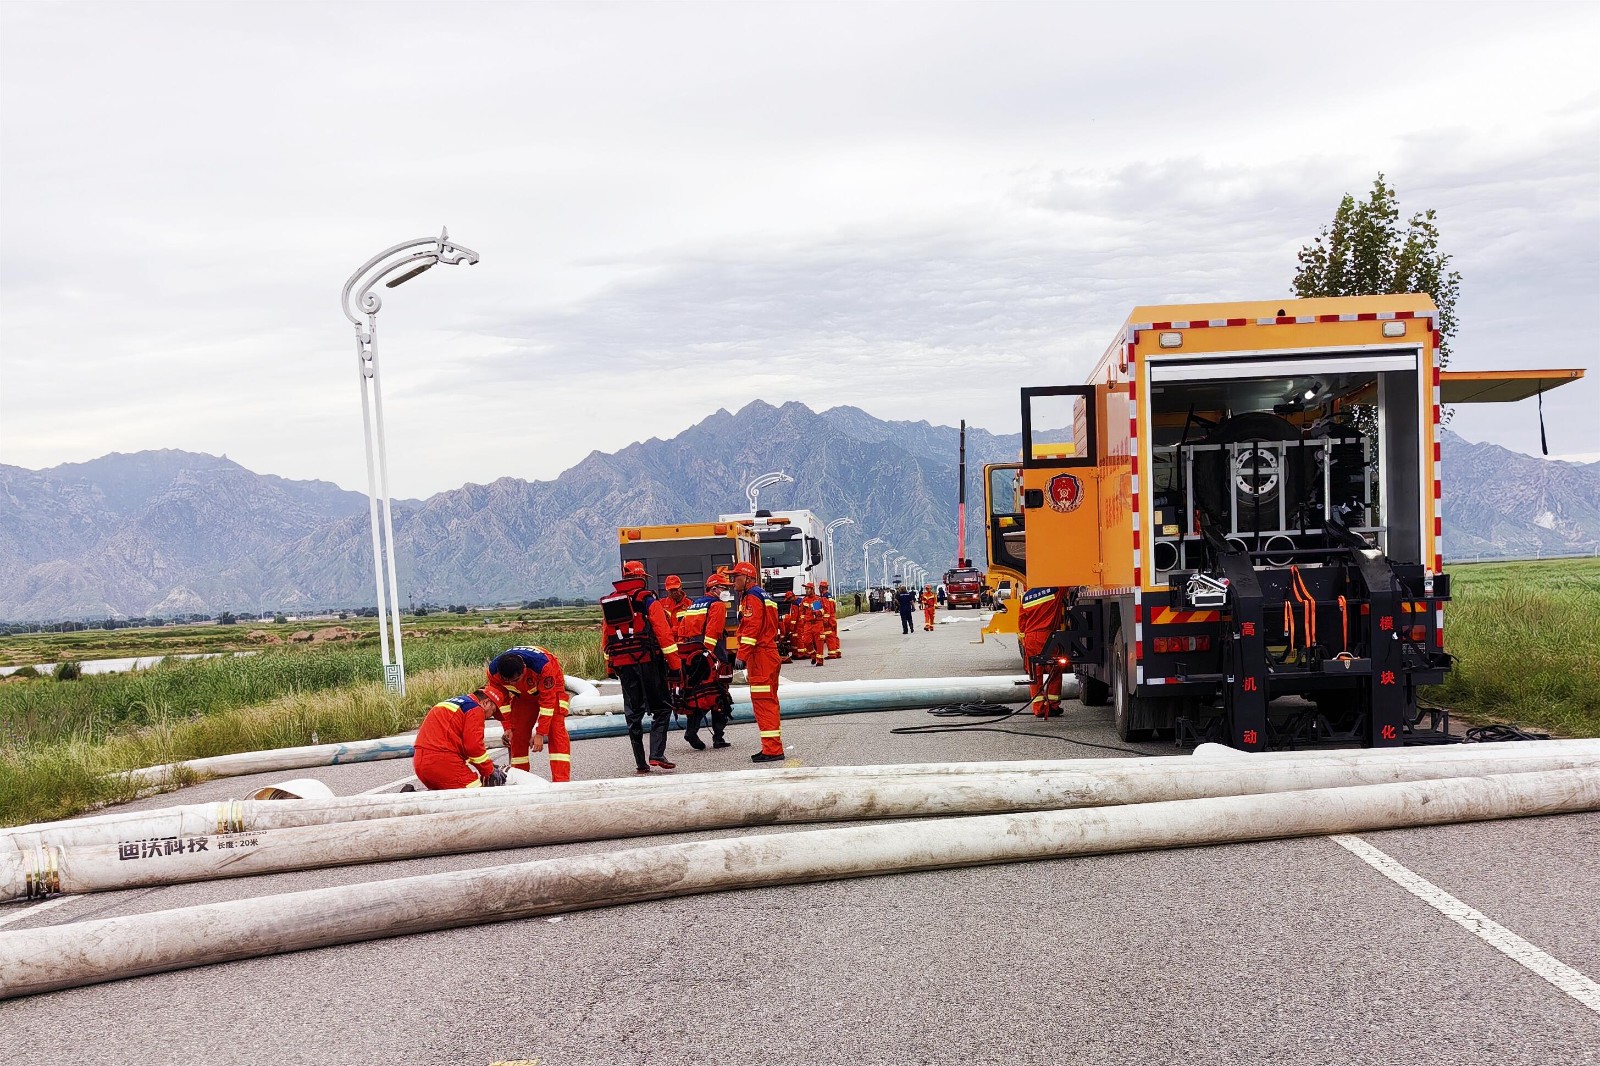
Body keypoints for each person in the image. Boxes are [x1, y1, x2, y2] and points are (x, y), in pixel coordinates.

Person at [603, 560, 682, 773]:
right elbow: (663, 634)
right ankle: (656, 754)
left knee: (633, 714)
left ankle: (640, 763)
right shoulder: (647, 600)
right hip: (648, 662)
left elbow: (606, 638)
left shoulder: (611, 601)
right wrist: (675, 665)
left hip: (623, 665)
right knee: (663, 708)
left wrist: (610, 667)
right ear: (641, 579)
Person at [485, 645, 572, 782]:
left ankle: (561, 783)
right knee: (516, 735)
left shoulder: (543, 666)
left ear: (524, 669)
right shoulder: (494, 672)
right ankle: (520, 781)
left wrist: (540, 733)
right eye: (507, 681)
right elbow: (501, 702)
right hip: (523, 696)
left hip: (552, 692)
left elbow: (548, 703)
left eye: (515, 680)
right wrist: (507, 727)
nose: (511, 683)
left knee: (556, 731)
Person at [731, 560, 785, 762]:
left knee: (763, 703)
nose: (733, 581)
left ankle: (772, 749)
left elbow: (751, 628)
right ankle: (772, 746)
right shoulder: (764, 595)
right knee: (769, 701)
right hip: (768, 653)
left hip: (760, 656)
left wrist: (741, 655)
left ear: (747, 578)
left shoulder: (751, 597)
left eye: (736, 577)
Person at [675, 570, 734, 750]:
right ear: (714, 589)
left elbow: (681, 632)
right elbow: (713, 633)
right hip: (710, 655)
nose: (726, 591)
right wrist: (709, 656)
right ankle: (718, 738)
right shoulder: (717, 605)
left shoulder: (694, 605)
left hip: (692, 657)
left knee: (698, 696)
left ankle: (691, 730)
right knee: (720, 695)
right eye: (723, 588)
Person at [412, 687, 508, 790]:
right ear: (486, 703)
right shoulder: (475, 709)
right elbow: (474, 748)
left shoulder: (455, 703)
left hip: (420, 761)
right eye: (493, 711)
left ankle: (408, 799)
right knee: (476, 795)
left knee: (447, 799)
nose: (490, 716)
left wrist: (489, 766)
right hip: (442, 762)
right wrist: (489, 771)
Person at [1019, 586, 1069, 717]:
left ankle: (1038, 708)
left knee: (1035, 674)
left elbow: (1021, 622)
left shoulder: (1026, 597)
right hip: (1046, 637)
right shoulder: (1055, 590)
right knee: (1055, 669)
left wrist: (1025, 640)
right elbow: (1068, 582)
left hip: (1030, 637)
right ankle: (1053, 706)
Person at [819, 580, 841, 660]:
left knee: (829, 636)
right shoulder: (830, 596)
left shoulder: (824, 597)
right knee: (834, 635)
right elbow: (833, 608)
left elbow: (826, 609)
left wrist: (825, 618)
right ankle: (837, 651)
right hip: (833, 618)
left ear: (822, 588)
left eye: (820, 587)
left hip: (828, 619)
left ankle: (832, 654)